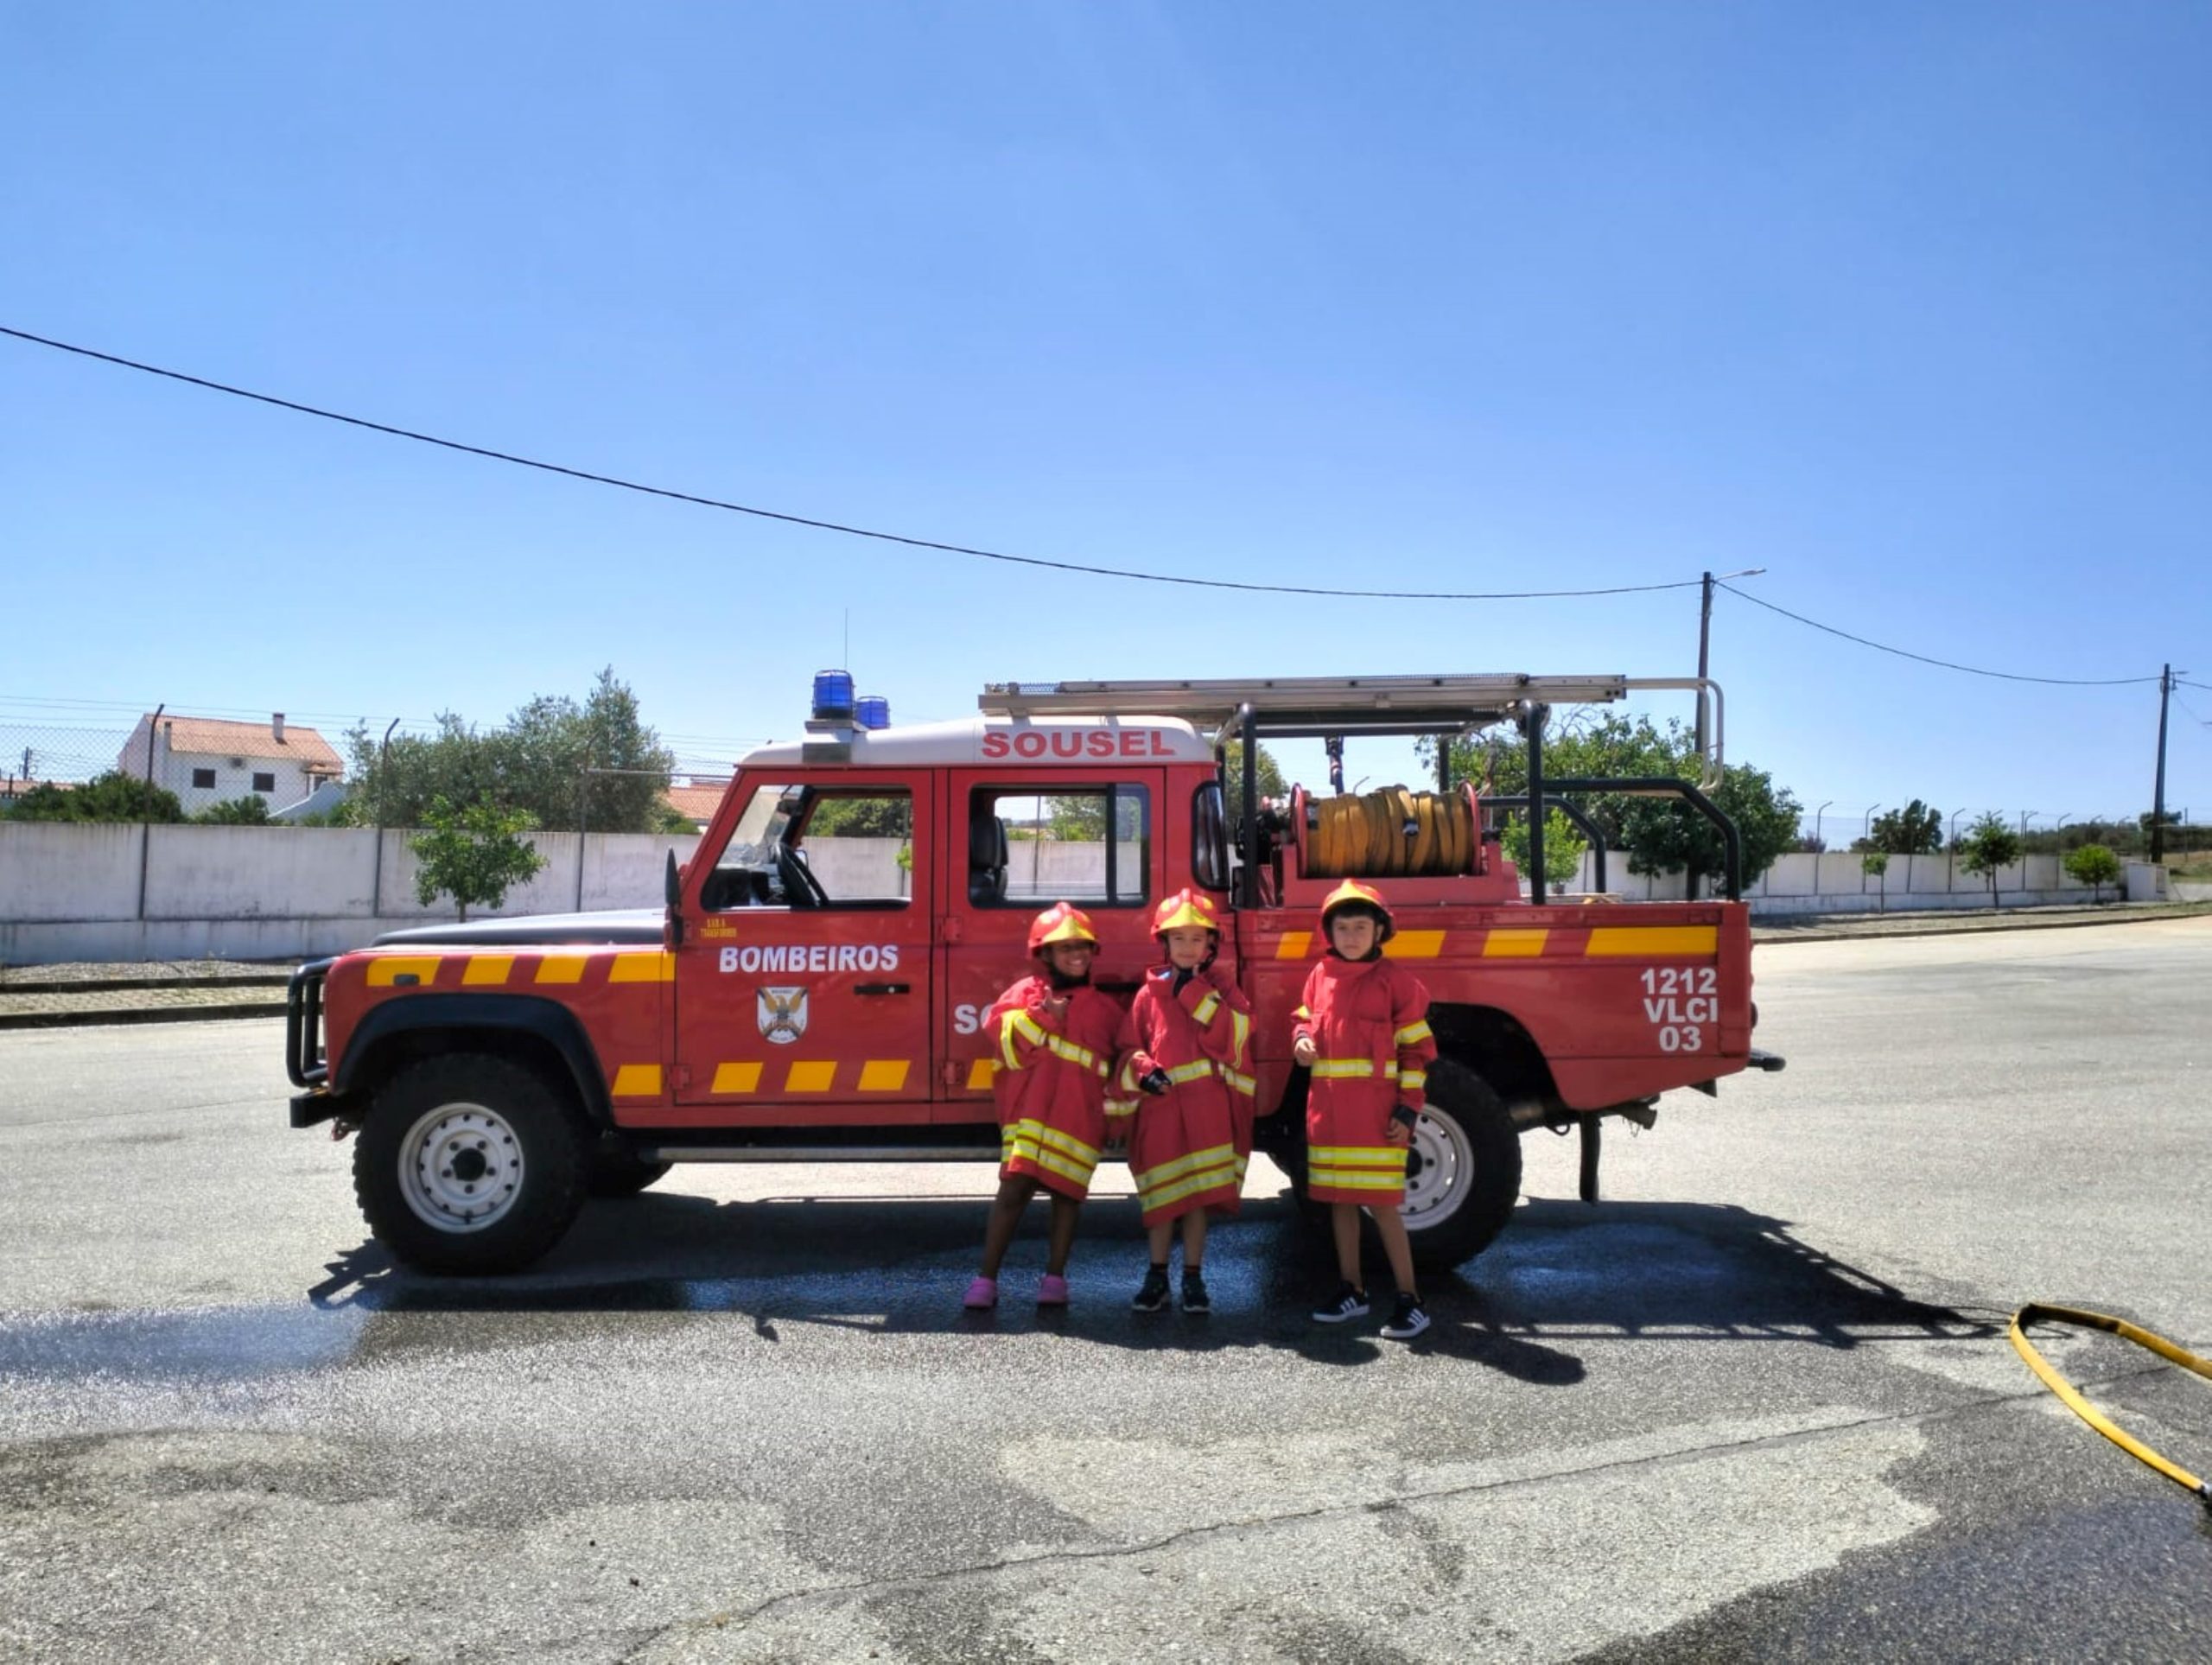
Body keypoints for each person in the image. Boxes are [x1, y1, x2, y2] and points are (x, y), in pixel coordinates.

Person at [1291, 879, 1438, 1339]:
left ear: (1380, 932)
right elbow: (1301, 1017)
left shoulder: (1397, 983)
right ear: (1328, 932)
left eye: (1361, 927)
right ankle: (1351, 1290)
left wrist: (1408, 1110)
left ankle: (1411, 1299)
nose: (1351, 936)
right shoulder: (1319, 976)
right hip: (1330, 1115)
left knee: (1385, 1207)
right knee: (1341, 1203)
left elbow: (1417, 1052)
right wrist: (1300, 1039)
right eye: (1342, 927)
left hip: (1378, 1119)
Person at [964, 901, 1129, 1308]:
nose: (1077, 955)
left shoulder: (1105, 1011)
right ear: (1045, 954)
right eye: (1065, 947)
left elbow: (1124, 1060)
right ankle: (985, 1280)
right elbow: (1003, 1038)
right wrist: (1044, 1016)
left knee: (1068, 1197)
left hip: (1079, 1119)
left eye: (1084, 947)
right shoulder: (1024, 996)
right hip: (1029, 1117)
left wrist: (1118, 1123)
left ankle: (1055, 1280)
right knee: (1013, 1191)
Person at [1118, 889, 1256, 1314]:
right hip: (1161, 1111)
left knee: (1198, 1199)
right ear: (1164, 943)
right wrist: (1143, 1070)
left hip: (1206, 1109)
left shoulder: (1223, 988)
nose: (1188, 947)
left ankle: (1193, 1277)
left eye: (1197, 939)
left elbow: (1235, 1039)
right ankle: (1156, 1276)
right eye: (1179, 939)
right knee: (1161, 1199)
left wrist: (1194, 992)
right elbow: (1127, 1048)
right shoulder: (1147, 996)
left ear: (1211, 945)